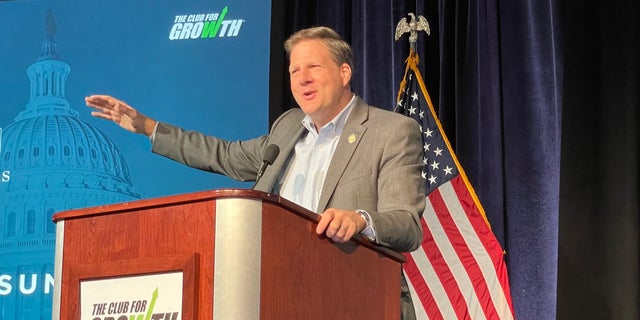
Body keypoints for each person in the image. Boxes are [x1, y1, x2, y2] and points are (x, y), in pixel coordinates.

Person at [86, 26, 425, 320]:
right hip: (279, 296)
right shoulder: (289, 127)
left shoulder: (390, 131)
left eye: (314, 67)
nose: (302, 78)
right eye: (294, 71)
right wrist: (147, 126)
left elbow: (407, 225)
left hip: (355, 298)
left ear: (344, 73)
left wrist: (360, 220)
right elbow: (224, 155)